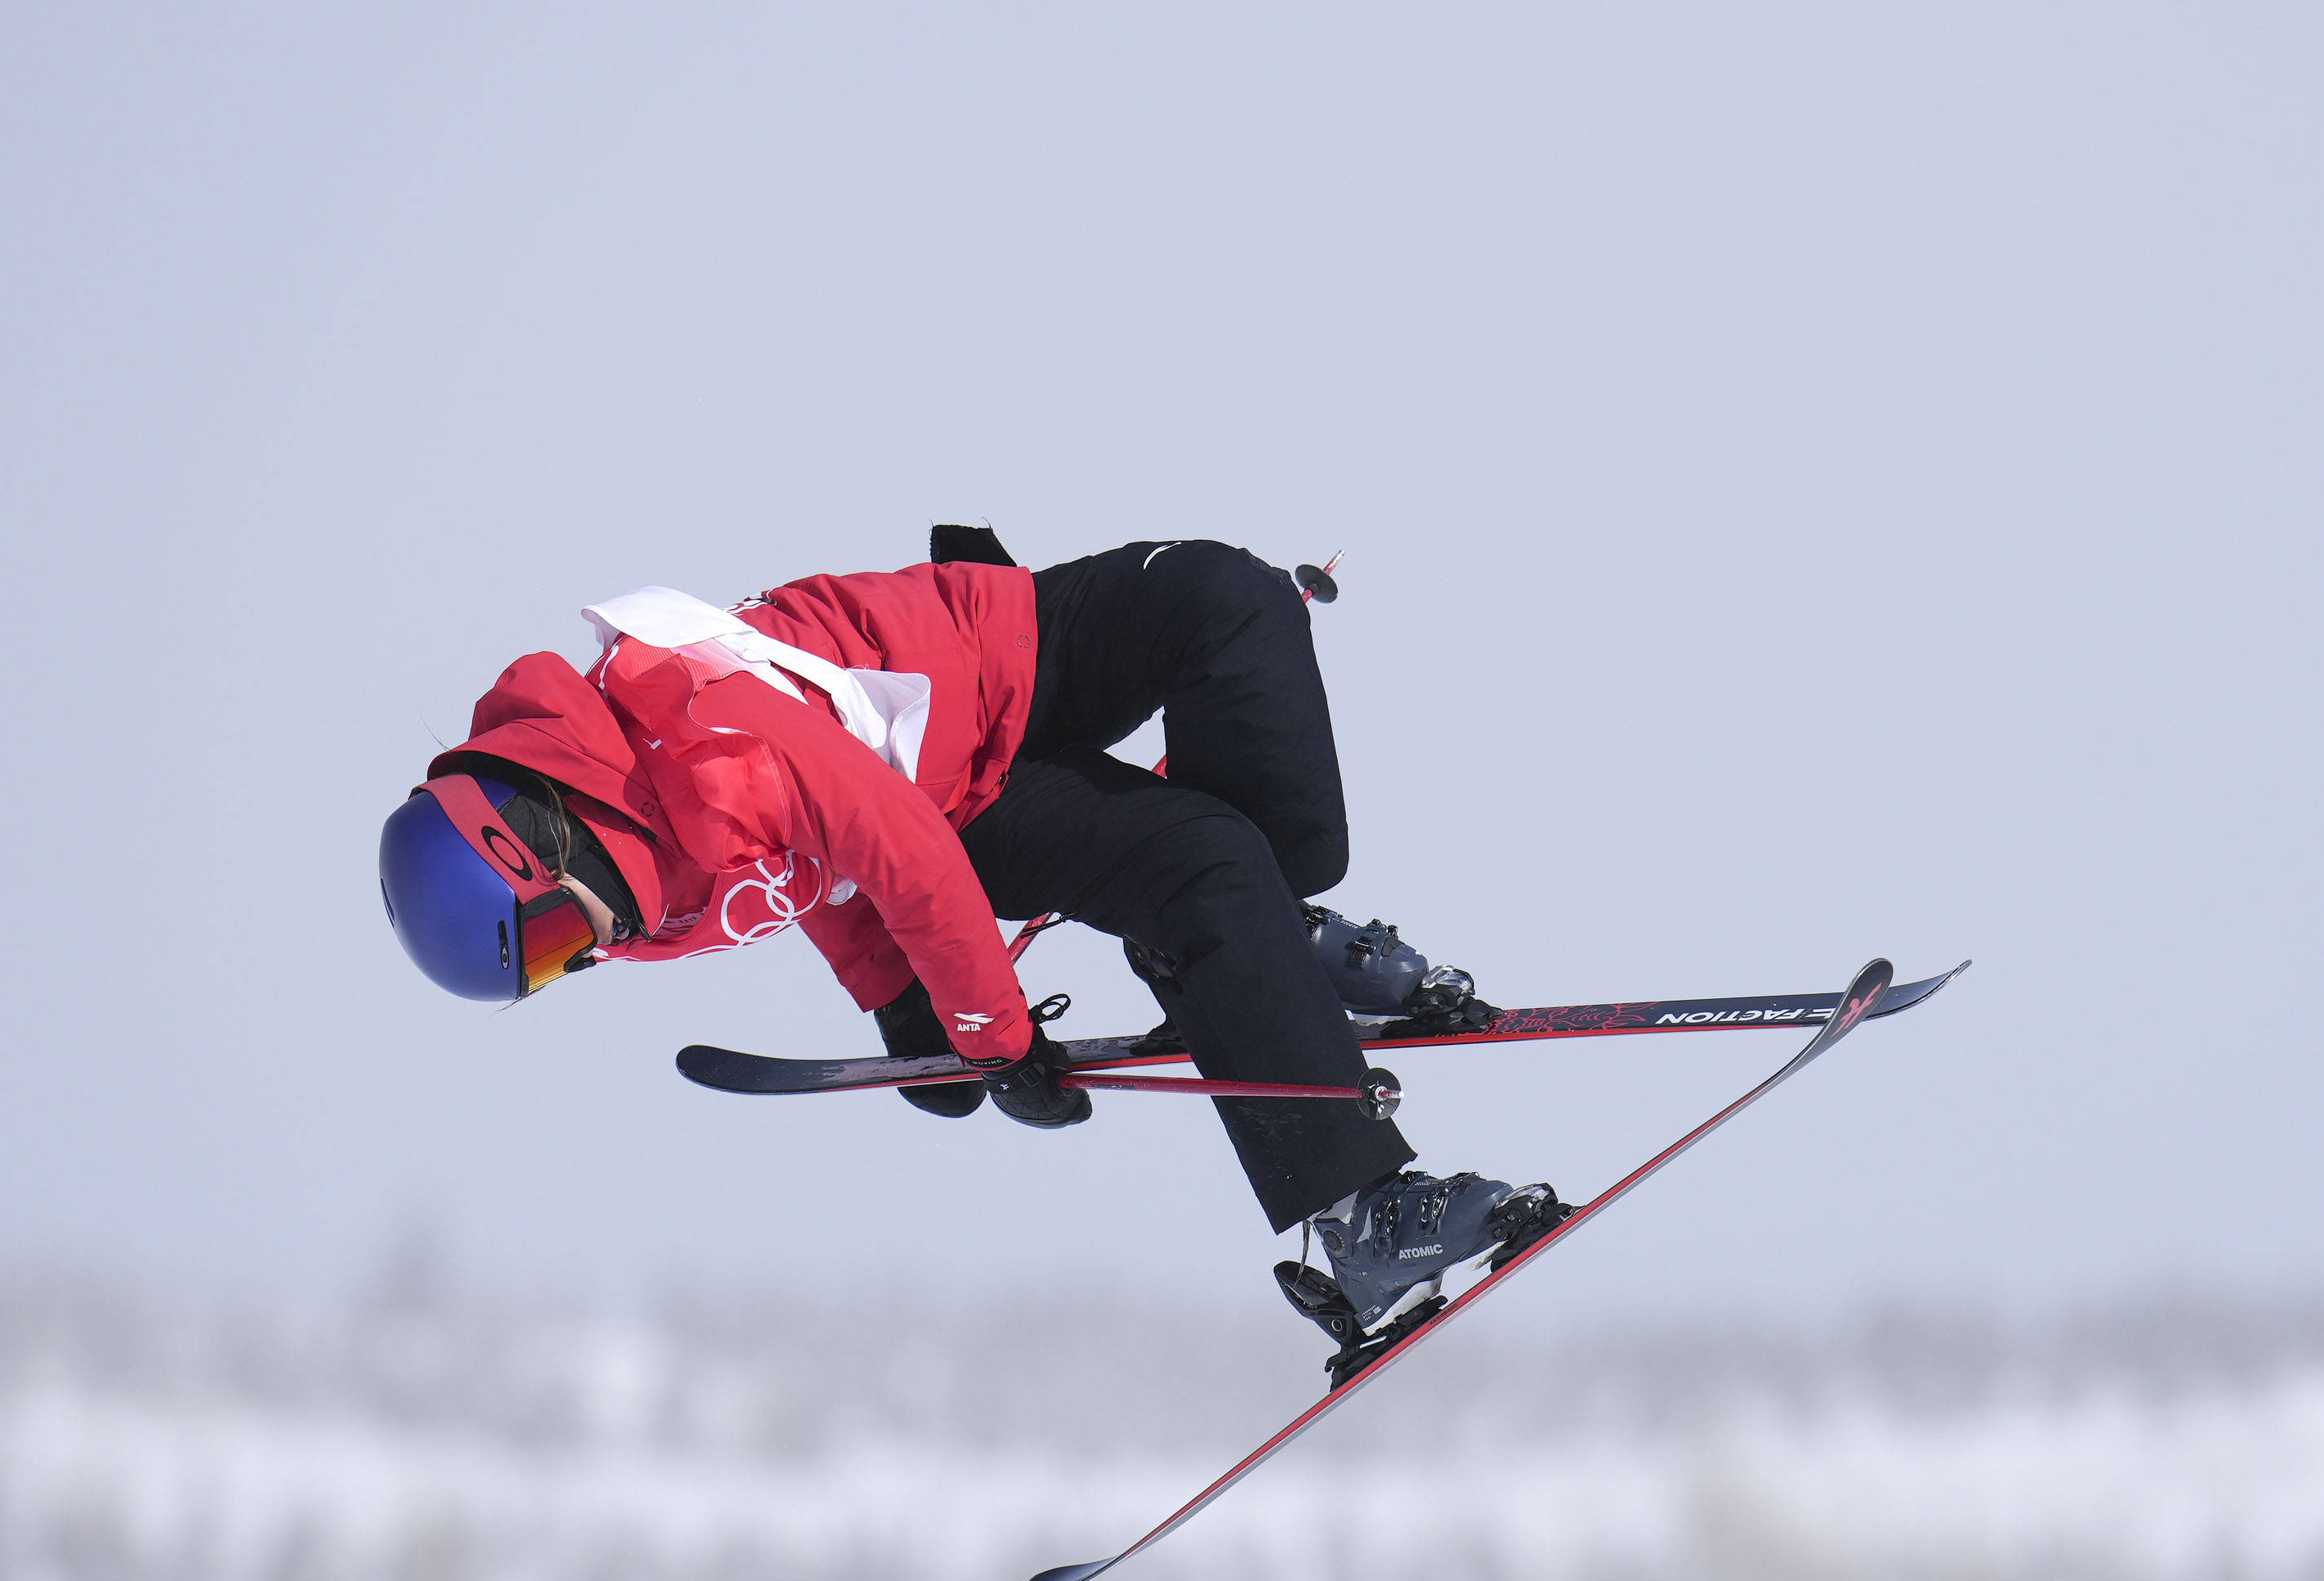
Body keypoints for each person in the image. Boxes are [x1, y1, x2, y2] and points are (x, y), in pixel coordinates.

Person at [377, 529, 1560, 1371]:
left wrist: (989, 1037)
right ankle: (1359, 1219)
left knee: (1232, 601)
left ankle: (1262, 953)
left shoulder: (699, 747)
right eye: (542, 975)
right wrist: (905, 1002)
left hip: (998, 657)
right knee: (1203, 862)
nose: (576, 961)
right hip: (960, 808)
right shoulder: (635, 886)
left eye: (546, 938)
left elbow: (863, 840)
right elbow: (828, 871)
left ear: (533, 833)